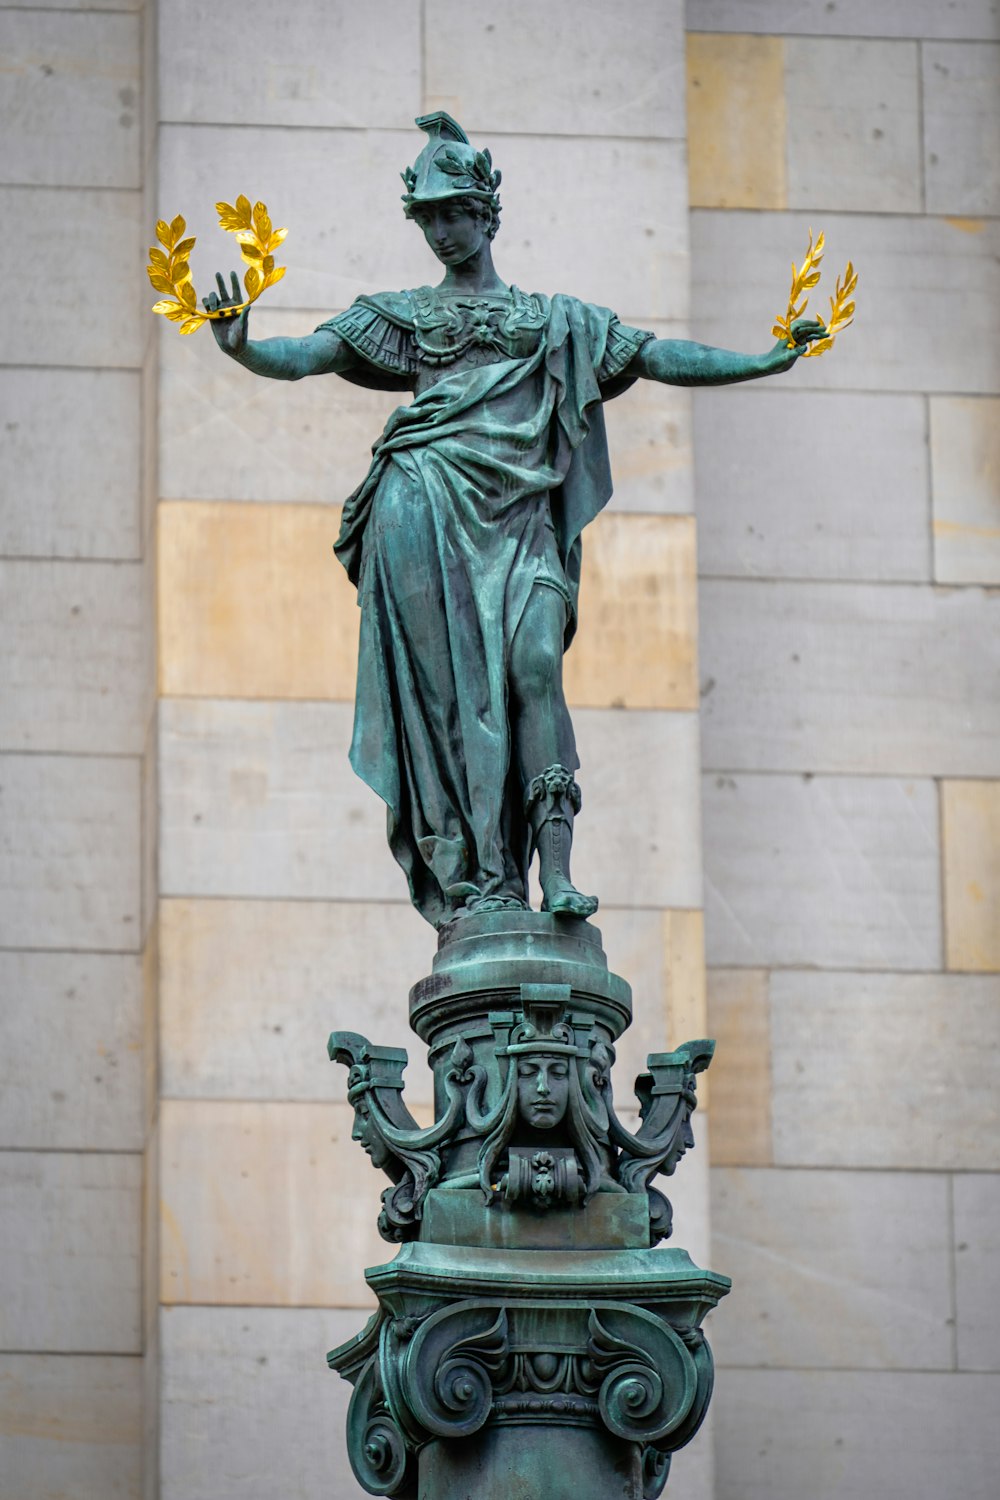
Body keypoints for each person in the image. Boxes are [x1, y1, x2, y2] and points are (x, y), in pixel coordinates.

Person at [204, 113, 824, 929]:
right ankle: (486, 875)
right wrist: (243, 347)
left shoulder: (554, 319)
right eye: (426, 217)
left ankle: (556, 872)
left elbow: (653, 356)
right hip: (421, 508)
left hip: (519, 519)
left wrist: (762, 359)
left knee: (536, 667)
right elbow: (310, 355)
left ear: (487, 212)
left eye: (452, 212)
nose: (439, 230)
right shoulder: (401, 316)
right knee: (451, 702)